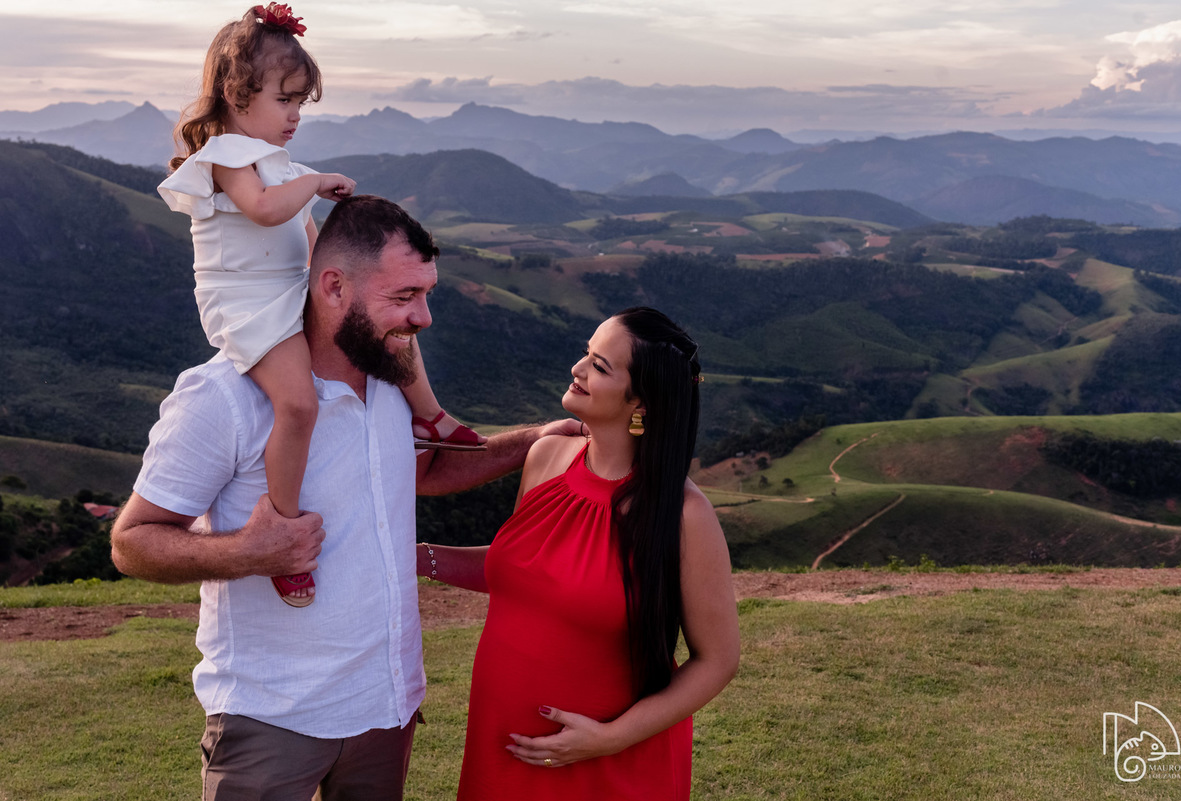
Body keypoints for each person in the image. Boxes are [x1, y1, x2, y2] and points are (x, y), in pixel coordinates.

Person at [110, 194, 580, 800]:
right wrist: (250, 552)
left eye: (426, 293)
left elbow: (427, 468)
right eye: (404, 296)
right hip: (270, 716)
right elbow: (131, 543)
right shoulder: (221, 397)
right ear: (333, 287)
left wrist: (536, 441)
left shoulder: (389, 380)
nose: (424, 317)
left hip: (386, 708)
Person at [159, 3, 483, 608]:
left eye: (301, 104)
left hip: (288, 291)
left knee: (387, 324)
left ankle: (431, 416)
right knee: (299, 403)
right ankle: (282, 531)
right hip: (253, 307)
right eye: (285, 100)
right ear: (236, 94)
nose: (294, 117)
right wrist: (312, 183)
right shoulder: (228, 158)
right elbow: (264, 210)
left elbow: (305, 239)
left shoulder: (277, 166)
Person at [419, 307, 741, 801]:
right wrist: (417, 557)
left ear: (642, 403)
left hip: (609, 762)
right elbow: (524, 569)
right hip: (501, 740)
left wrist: (609, 739)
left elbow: (717, 661)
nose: (578, 367)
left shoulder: (683, 515)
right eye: (587, 353)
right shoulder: (546, 458)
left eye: (600, 365)